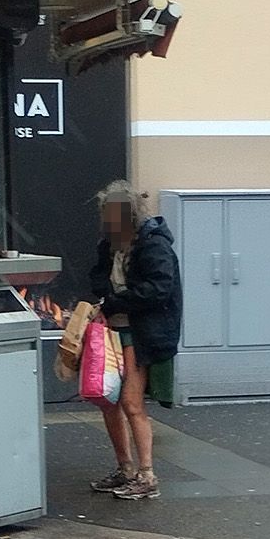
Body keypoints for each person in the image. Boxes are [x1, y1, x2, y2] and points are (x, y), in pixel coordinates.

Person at [87, 182, 183, 500]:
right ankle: (126, 469)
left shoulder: (153, 246)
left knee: (129, 402)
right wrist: (110, 295)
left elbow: (159, 289)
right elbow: (98, 276)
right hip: (117, 330)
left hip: (139, 333)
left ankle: (146, 474)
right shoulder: (112, 244)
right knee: (108, 401)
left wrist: (113, 301)